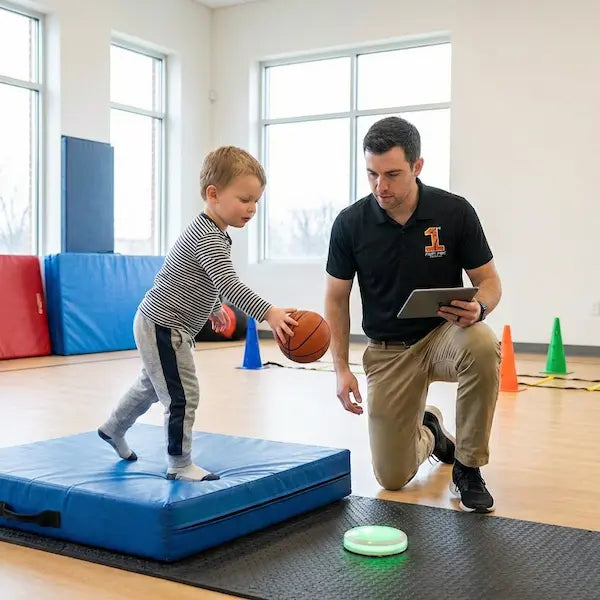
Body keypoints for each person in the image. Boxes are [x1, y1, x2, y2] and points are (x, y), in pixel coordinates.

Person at [325, 117, 501, 512]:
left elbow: (489, 281)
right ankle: (432, 433)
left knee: (484, 342)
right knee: (391, 477)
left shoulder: (454, 212)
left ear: (417, 166)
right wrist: (340, 368)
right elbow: (336, 299)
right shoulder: (350, 224)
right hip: (388, 350)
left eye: (392, 174)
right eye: (371, 174)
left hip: (444, 336)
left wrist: (481, 307)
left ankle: (468, 468)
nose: (380, 187)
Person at [99, 146, 297, 481]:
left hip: (160, 322)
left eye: (256, 201)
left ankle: (112, 428)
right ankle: (179, 464)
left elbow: (199, 277)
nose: (252, 208)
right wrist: (269, 312)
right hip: (164, 325)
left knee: (151, 386)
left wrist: (214, 306)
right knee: (183, 396)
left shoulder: (213, 232)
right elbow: (229, 283)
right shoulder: (209, 237)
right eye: (244, 199)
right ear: (213, 194)